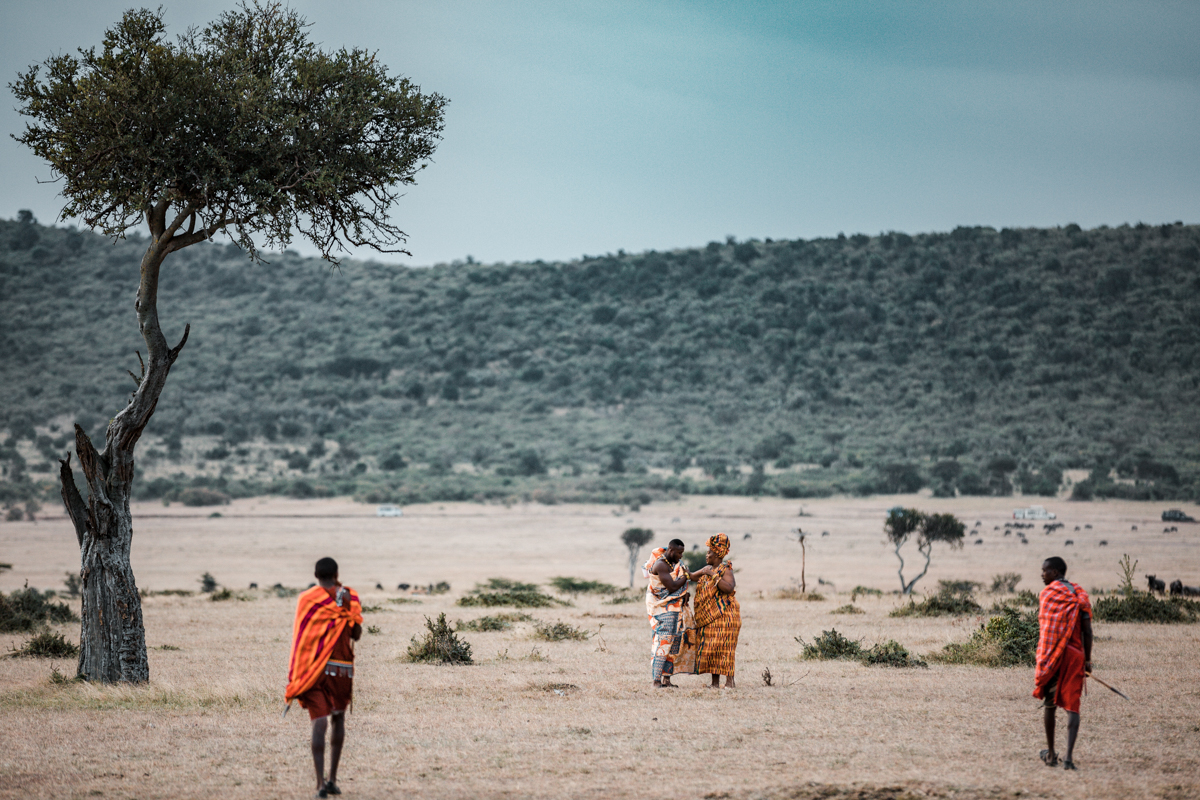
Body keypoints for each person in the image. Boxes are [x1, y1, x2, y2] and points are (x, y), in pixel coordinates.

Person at [285, 557, 363, 798]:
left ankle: (320, 784)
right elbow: (356, 634)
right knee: (338, 719)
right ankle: (333, 779)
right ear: (337, 573)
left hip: (311, 670)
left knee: (319, 722)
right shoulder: (349, 596)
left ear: (316, 575)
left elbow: (302, 637)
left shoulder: (306, 599)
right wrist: (346, 613)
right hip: (340, 670)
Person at [1033, 556, 1092, 771]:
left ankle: (1050, 755)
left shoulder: (1048, 594)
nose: (1042, 575)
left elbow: (1047, 630)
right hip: (1076, 657)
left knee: (1049, 705)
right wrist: (1087, 660)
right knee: (1072, 706)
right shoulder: (1080, 595)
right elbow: (1088, 632)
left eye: (1045, 571)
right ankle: (1068, 758)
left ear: (1056, 572)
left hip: (1053, 657)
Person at [689, 532, 741, 688]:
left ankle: (730, 682)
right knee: (712, 648)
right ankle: (715, 683)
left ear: (718, 553)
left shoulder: (725, 569)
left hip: (726, 616)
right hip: (709, 617)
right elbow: (691, 576)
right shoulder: (707, 569)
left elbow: (729, 587)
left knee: (725, 649)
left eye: (709, 552)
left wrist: (712, 574)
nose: (707, 555)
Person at [644, 538, 694, 687]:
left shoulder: (673, 564)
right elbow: (672, 587)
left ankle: (666, 680)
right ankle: (656, 681)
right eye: (679, 553)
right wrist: (685, 576)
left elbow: (677, 587)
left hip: (672, 608)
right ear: (671, 551)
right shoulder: (660, 565)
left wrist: (684, 592)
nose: (681, 556)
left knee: (673, 643)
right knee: (663, 642)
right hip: (660, 608)